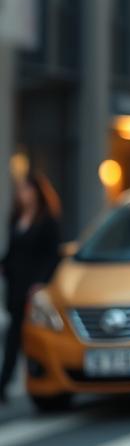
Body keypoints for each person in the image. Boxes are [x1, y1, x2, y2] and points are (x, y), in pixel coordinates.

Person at [1, 171, 62, 404]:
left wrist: (41, 282)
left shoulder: (47, 220)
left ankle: (37, 378)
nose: (22, 195)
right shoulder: (17, 217)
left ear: (37, 192)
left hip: (33, 289)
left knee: (28, 337)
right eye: (20, 190)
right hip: (16, 286)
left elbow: (52, 255)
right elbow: (13, 251)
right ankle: (12, 381)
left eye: (26, 190)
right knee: (14, 336)